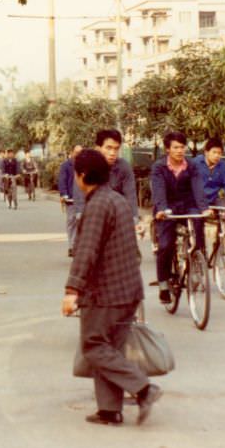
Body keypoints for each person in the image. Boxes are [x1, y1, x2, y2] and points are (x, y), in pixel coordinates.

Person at [61, 149, 161, 426]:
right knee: (109, 350)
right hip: (129, 290)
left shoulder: (96, 206)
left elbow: (86, 252)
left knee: (93, 346)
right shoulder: (116, 200)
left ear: (82, 177)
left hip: (107, 293)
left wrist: (72, 291)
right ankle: (109, 410)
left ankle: (143, 388)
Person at [151, 131, 210, 303]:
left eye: (182, 147)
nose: (179, 151)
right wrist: (161, 209)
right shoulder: (159, 167)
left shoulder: (191, 166)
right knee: (165, 245)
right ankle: (163, 285)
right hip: (167, 208)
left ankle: (197, 258)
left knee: (198, 222)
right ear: (168, 149)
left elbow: (198, 187)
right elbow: (159, 190)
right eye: (175, 147)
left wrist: (204, 208)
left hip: (187, 205)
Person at [192, 137, 225, 253]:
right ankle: (199, 248)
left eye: (220, 153)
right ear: (206, 152)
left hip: (213, 198)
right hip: (197, 199)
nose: (217, 156)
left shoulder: (223, 165)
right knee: (197, 220)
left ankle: (220, 243)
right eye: (214, 152)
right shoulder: (195, 163)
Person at [95, 129, 140, 227]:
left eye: (116, 149)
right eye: (108, 148)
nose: (112, 153)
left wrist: (134, 217)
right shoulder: (89, 165)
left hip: (117, 216)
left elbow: (130, 194)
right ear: (98, 148)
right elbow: (79, 191)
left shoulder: (124, 167)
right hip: (93, 215)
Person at [58, 145, 83, 257]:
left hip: (83, 200)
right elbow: (62, 180)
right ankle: (72, 246)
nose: (78, 154)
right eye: (76, 152)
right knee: (71, 221)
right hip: (71, 199)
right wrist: (64, 194)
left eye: (80, 152)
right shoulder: (66, 165)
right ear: (72, 152)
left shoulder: (86, 165)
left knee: (82, 223)